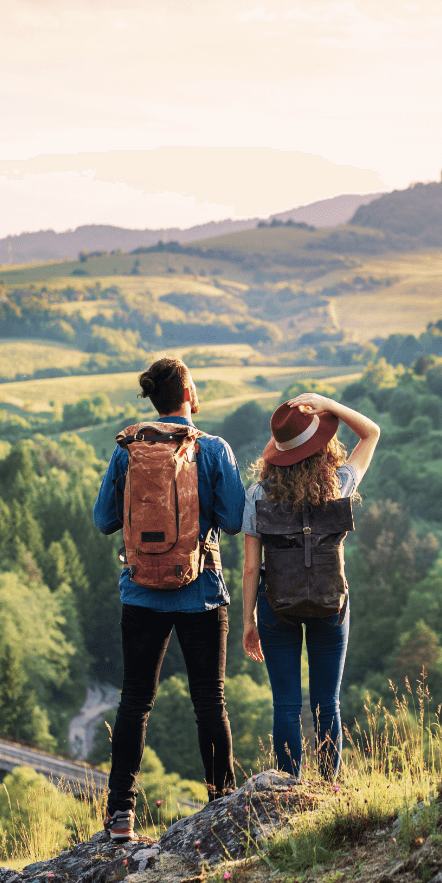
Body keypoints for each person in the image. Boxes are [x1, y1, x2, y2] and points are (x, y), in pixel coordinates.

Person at [93, 358, 245, 841]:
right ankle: (221, 804)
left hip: (140, 592)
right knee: (209, 701)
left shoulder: (127, 451)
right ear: (189, 392)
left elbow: (103, 520)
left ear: (153, 398)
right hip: (200, 591)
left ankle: (120, 816)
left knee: (135, 701)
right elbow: (237, 518)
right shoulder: (213, 449)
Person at [241, 391, 380, 780]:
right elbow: (371, 433)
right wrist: (329, 405)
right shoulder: (339, 483)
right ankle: (329, 786)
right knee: (327, 703)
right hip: (330, 603)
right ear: (321, 448)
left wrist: (248, 621)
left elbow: (251, 569)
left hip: (275, 605)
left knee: (285, 705)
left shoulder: (258, 495)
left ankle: (288, 787)